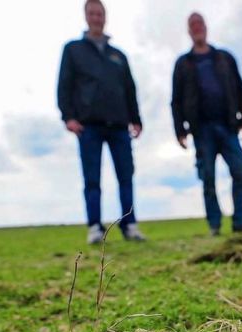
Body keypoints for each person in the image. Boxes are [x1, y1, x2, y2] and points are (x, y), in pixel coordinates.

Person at [57, 0, 146, 244]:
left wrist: (136, 119)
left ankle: (130, 225)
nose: (97, 18)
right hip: (89, 125)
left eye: (100, 14)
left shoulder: (118, 55)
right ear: (86, 17)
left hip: (119, 124)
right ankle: (95, 227)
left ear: (105, 17)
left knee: (126, 176)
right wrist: (68, 117)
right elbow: (64, 84)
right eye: (92, 13)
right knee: (92, 178)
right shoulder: (73, 49)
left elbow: (130, 89)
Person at [171, 12, 242, 237]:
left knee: (239, 170)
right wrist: (180, 130)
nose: (198, 28)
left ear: (206, 27)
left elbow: (239, 87)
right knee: (207, 177)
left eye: (200, 24)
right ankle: (215, 225)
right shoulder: (183, 64)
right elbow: (176, 99)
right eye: (193, 25)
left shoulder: (224, 58)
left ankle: (239, 221)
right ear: (189, 31)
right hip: (201, 130)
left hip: (227, 126)